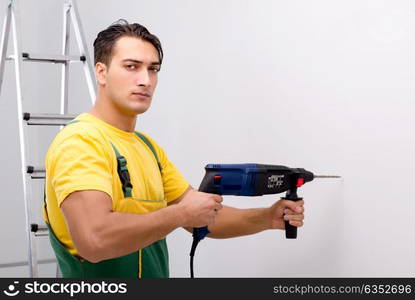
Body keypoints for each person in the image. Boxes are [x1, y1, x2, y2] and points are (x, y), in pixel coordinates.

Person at [43, 19, 305, 278]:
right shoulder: (80, 142)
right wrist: (179, 214)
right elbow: (94, 240)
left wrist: (267, 217)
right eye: (131, 67)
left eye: (153, 69)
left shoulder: (148, 148)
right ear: (101, 72)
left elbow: (199, 216)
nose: (145, 80)